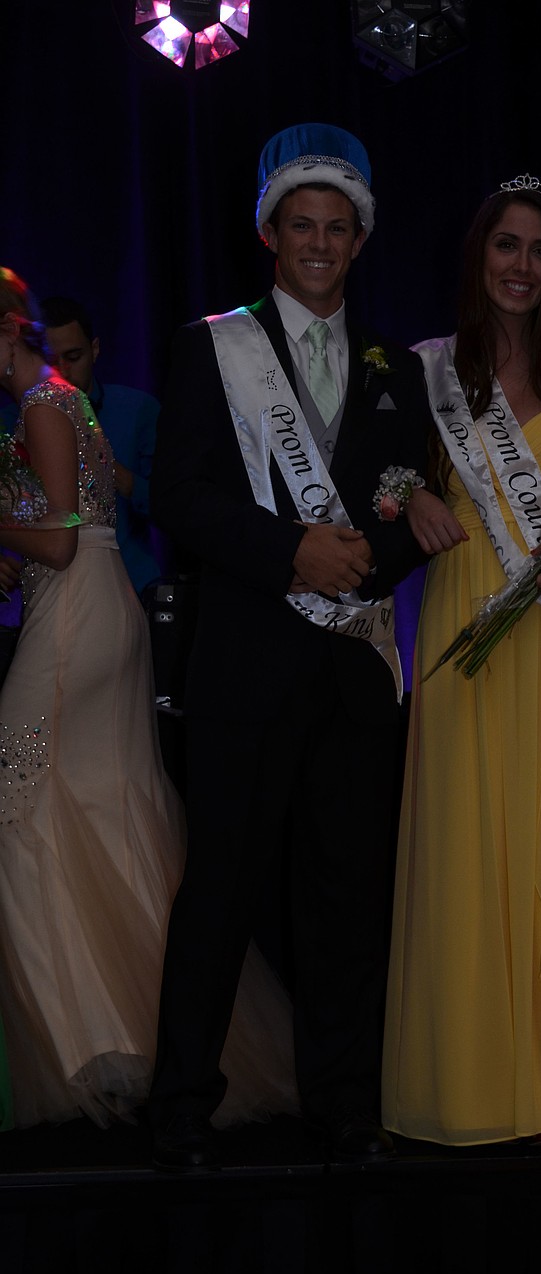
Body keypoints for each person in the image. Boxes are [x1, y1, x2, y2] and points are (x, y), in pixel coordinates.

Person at [147, 123, 433, 1172]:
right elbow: (179, 494)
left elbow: (411, 509)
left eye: (338, 228)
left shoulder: (395, 366)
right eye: (301, 225)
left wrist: (368, 558)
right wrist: (291, 550)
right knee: (220, 885)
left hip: (353, 664)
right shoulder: (208, 344)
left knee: (348, 892)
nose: (319, 243)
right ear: (271, 233)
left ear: (359, 242)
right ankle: (180, 1101)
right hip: (246, 658)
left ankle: (343, 1100)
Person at [0, 267, 299, 1131]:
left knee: (18, 804)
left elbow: (59, 537)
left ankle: (74, 1037)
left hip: (74, 628)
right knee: (103, 810)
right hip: (95, 616)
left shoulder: (43, 407)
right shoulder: (62, 399)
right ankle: (125, 1033)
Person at [381, 178, 541, 1148]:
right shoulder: (427, 370)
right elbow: (382, 471)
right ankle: (475, 1085)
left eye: (536, 250)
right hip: (465, 627)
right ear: (478, 256)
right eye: (505, 246)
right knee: (465, 838)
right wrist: (408, 498)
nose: (520, 265)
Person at [33, 295, 168, 600]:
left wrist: (125, 480)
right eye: (51, 361)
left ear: (95, 349)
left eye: (73, 356)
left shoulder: (137, 411)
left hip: (131, 588)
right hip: (43, 596)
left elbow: (178, 506)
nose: (62, 372)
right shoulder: (10, 421)